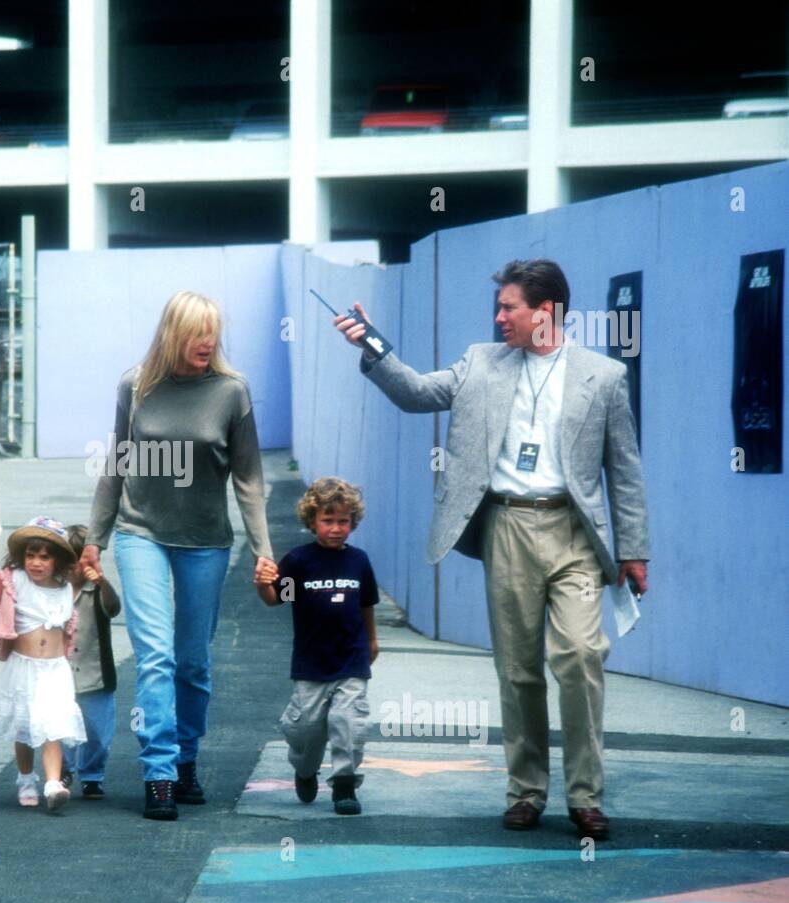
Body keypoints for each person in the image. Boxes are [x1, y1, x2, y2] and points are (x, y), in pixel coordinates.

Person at [334, 258, 650, 840]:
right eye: (499, 306)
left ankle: (586, 796)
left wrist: (634, 549)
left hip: (574, 531)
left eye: (510, 307)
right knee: (518, 669)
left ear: (546, 311)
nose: (499, 316)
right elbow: (417, 393)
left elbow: (624, 469)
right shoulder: (481, 362)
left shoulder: (602, 376)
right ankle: (526, 792)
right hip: (506, 527)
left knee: (581, 655)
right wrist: (374, 348)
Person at [83, 291, 274, 821]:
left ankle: (187, 758)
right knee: (156, 657)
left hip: (206, 541)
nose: (207, 342)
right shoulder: (136, 386)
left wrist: (264, 551)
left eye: (213, 332)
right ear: (173, 335)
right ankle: (160, 771)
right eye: (196, 333)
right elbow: (115, 467)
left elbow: (250, 478)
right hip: (141, 533)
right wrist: (93, 540)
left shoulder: (232, 392)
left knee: (192, 662)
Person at [255, 477, 379, 815]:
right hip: (311, 663)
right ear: (312, 521)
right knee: (306, 730)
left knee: (348, 722)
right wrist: (263, 585)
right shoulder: (300, 562)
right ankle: (305, 769)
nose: (336, 528)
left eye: (343, 521)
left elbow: (365, 603)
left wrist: (371, 639)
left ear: (353, 522)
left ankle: (344, 785)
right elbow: (278, 599)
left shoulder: (359, 562)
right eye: (328, 520)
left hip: (351, 659)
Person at [0, 517, 88, 811]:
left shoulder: (65, 589)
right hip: (24, 667)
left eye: (45, 557)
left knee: (53, 726)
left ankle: (52, 783)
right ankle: (25, 777)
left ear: (58, 561)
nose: (36, 563)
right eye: (31, 555)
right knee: (25, 727)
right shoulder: (14, 581)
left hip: (55, 670)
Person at [63, 524, 122, 799]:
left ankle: (92, 774)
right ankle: (62, 770)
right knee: (60, 728)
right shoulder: (53, 591)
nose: (72, 567)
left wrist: (102, 581)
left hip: (94, 673)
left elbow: (114, 608)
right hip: (59, 675)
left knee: (97, 730)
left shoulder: (95, 590)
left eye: (78, 560)